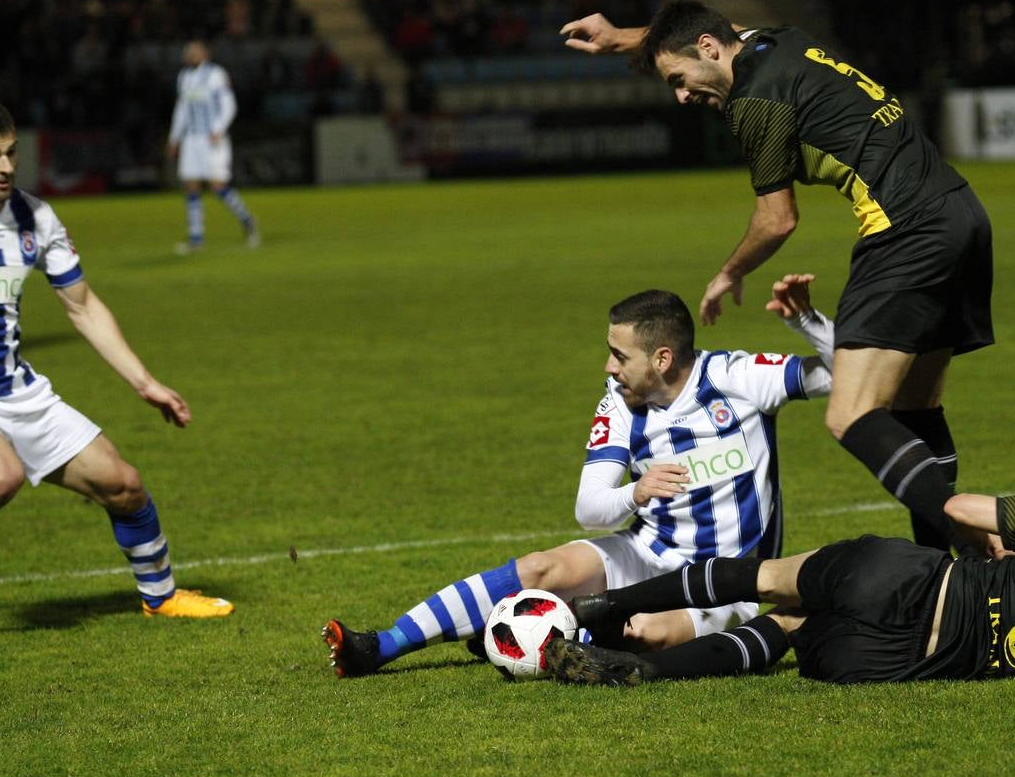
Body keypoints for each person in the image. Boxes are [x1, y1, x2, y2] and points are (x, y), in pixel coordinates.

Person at [561, 0, 993, 554]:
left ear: (711, 51)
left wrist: (727, 273)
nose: (681, 95)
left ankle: (980, 535)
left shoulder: (755, 104)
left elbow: (777, 219)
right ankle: (947, 567)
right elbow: (704, 28)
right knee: (916, 408)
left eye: (679, 78)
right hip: (961, 214)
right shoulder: (775, 38)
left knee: (852, 414)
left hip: (905, 230)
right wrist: (623, 38)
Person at [321, 276, 836, 677]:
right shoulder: (620, 403)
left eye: (619, 354)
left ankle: (524, 636)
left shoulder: (737, 379)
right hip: (648, 556)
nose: (607, 366)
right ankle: (381, 646)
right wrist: (635, 491)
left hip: (734, 583)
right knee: (543, 567)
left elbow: (847, 372)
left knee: (647, 635)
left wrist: (808, 319)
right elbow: (589, 509)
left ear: (662, 358)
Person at [0, 97, 233, 639]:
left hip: (17, 389)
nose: (6, 166)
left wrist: (143, 382)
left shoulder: (36, 217)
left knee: (123, 485)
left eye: (11, 153)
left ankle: (161, 597)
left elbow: (81, 305)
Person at [545, 492, 1015, 686]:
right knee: (787, 627)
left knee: (768, 579)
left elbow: (962, 509)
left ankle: (614, 606)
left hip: (910, 582)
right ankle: (648, 667)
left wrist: (1004, 541)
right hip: (894, 665)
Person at [166, 39, 259, 255]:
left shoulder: (216, 74)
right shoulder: (184, 77)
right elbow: (181, 110)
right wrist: (174, 138)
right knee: (191, 185)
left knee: (217, 186)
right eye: (188, 51)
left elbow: (229, 104)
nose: (190, 54)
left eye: (194, 51)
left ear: (205, 54)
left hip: (212, 138)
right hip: (192, 140)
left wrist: (218, 129)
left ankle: (247, 219)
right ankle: (196, 238)